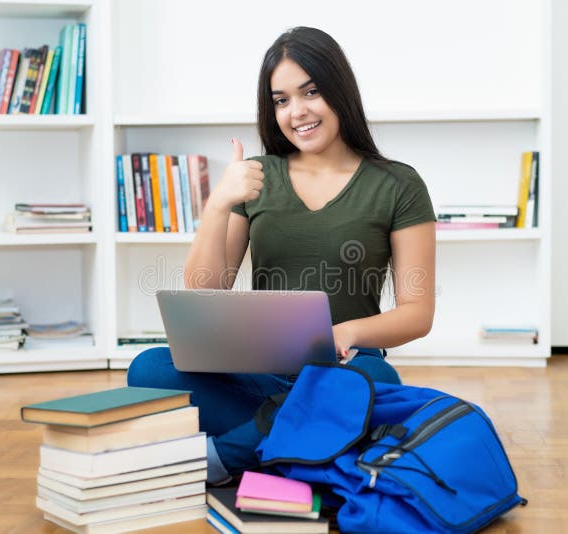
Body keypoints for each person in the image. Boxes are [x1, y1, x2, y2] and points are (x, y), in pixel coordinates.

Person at [127, 26, 436, 484]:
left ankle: (228, 457)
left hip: (346, 372)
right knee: (149, 369)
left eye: (311, 92)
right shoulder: (256, 176)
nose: (298, 112)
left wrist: (342, 332)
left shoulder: (397, 184)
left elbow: (418, 313)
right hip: (260, 375)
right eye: (281, 100)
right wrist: (218, 204)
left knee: (375, 382)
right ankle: (304, 444)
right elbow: (205, 290)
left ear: (339, 90)